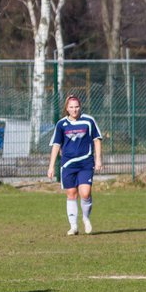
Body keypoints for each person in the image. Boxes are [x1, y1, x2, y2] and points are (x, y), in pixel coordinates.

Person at [47, 95, 103, 235]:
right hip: (68, 164)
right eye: (71, 107)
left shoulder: (88, 121)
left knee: (85, 193)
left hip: (85, 162)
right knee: (71, 194)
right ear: (67, 108)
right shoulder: (61, 124)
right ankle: (73, 226)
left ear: (80, 106)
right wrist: (51, 166)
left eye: (76, 106)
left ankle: (86, 218)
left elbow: (97, 140)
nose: (74, 110)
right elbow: (56, 145)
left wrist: (98, 159)